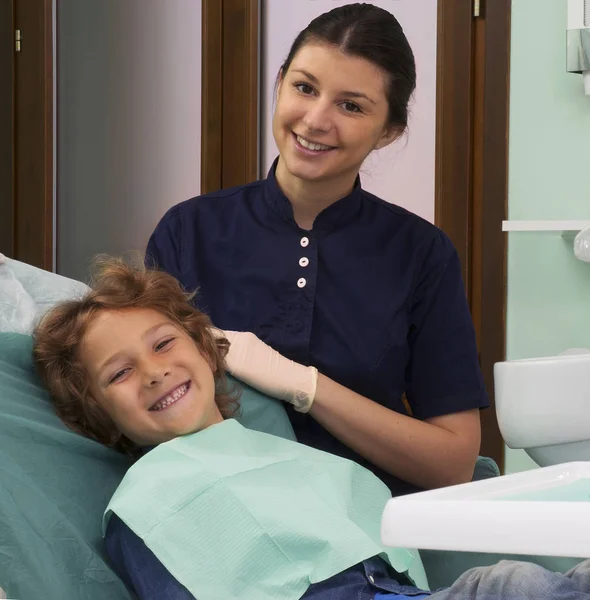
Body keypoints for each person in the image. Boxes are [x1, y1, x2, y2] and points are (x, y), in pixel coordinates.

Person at [32, 258, 590, 600]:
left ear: (206, 349)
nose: (154, 373)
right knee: (508, 585)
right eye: (121, 373)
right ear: (95, 411)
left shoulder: (282, 456)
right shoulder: (143, 509)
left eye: (163, 344)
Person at [146, 2, 487, 497]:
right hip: (218, 507)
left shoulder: (421, 254)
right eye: (304, 88)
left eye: (352, 106)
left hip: (366, 525)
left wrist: (304, 386)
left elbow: (453, 462)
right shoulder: (189, 230)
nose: (316, 120)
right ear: (280, 82)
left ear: (389, 130)